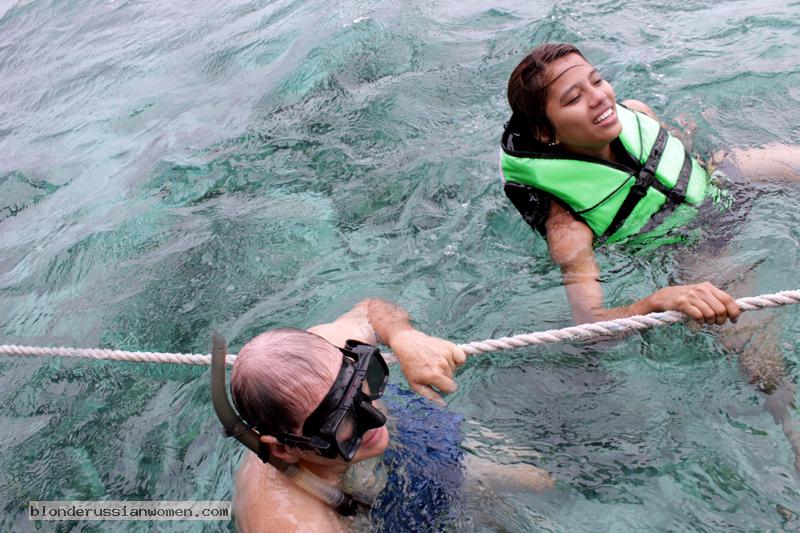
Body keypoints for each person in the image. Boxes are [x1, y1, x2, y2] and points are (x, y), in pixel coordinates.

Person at [499, 42, 800, 467]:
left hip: (718, 182)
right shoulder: (568, 230)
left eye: (597, 81)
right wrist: (657, 300)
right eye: (574, 98)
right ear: (548, 133)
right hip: (693, 246)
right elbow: (591, 326)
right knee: (755, 345)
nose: (599, 97)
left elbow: (678, 151)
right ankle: (792, 428)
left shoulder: (636, 111)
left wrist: (687, 136)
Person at [218, 298, 553, 533]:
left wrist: (404, 338)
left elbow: (371, 310)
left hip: (388, 460)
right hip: (361, 506)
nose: (374, 418)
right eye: (339, 421)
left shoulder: (321, 353)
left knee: (541, 480)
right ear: (283, 448)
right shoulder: (292, 520)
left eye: (363, 385)